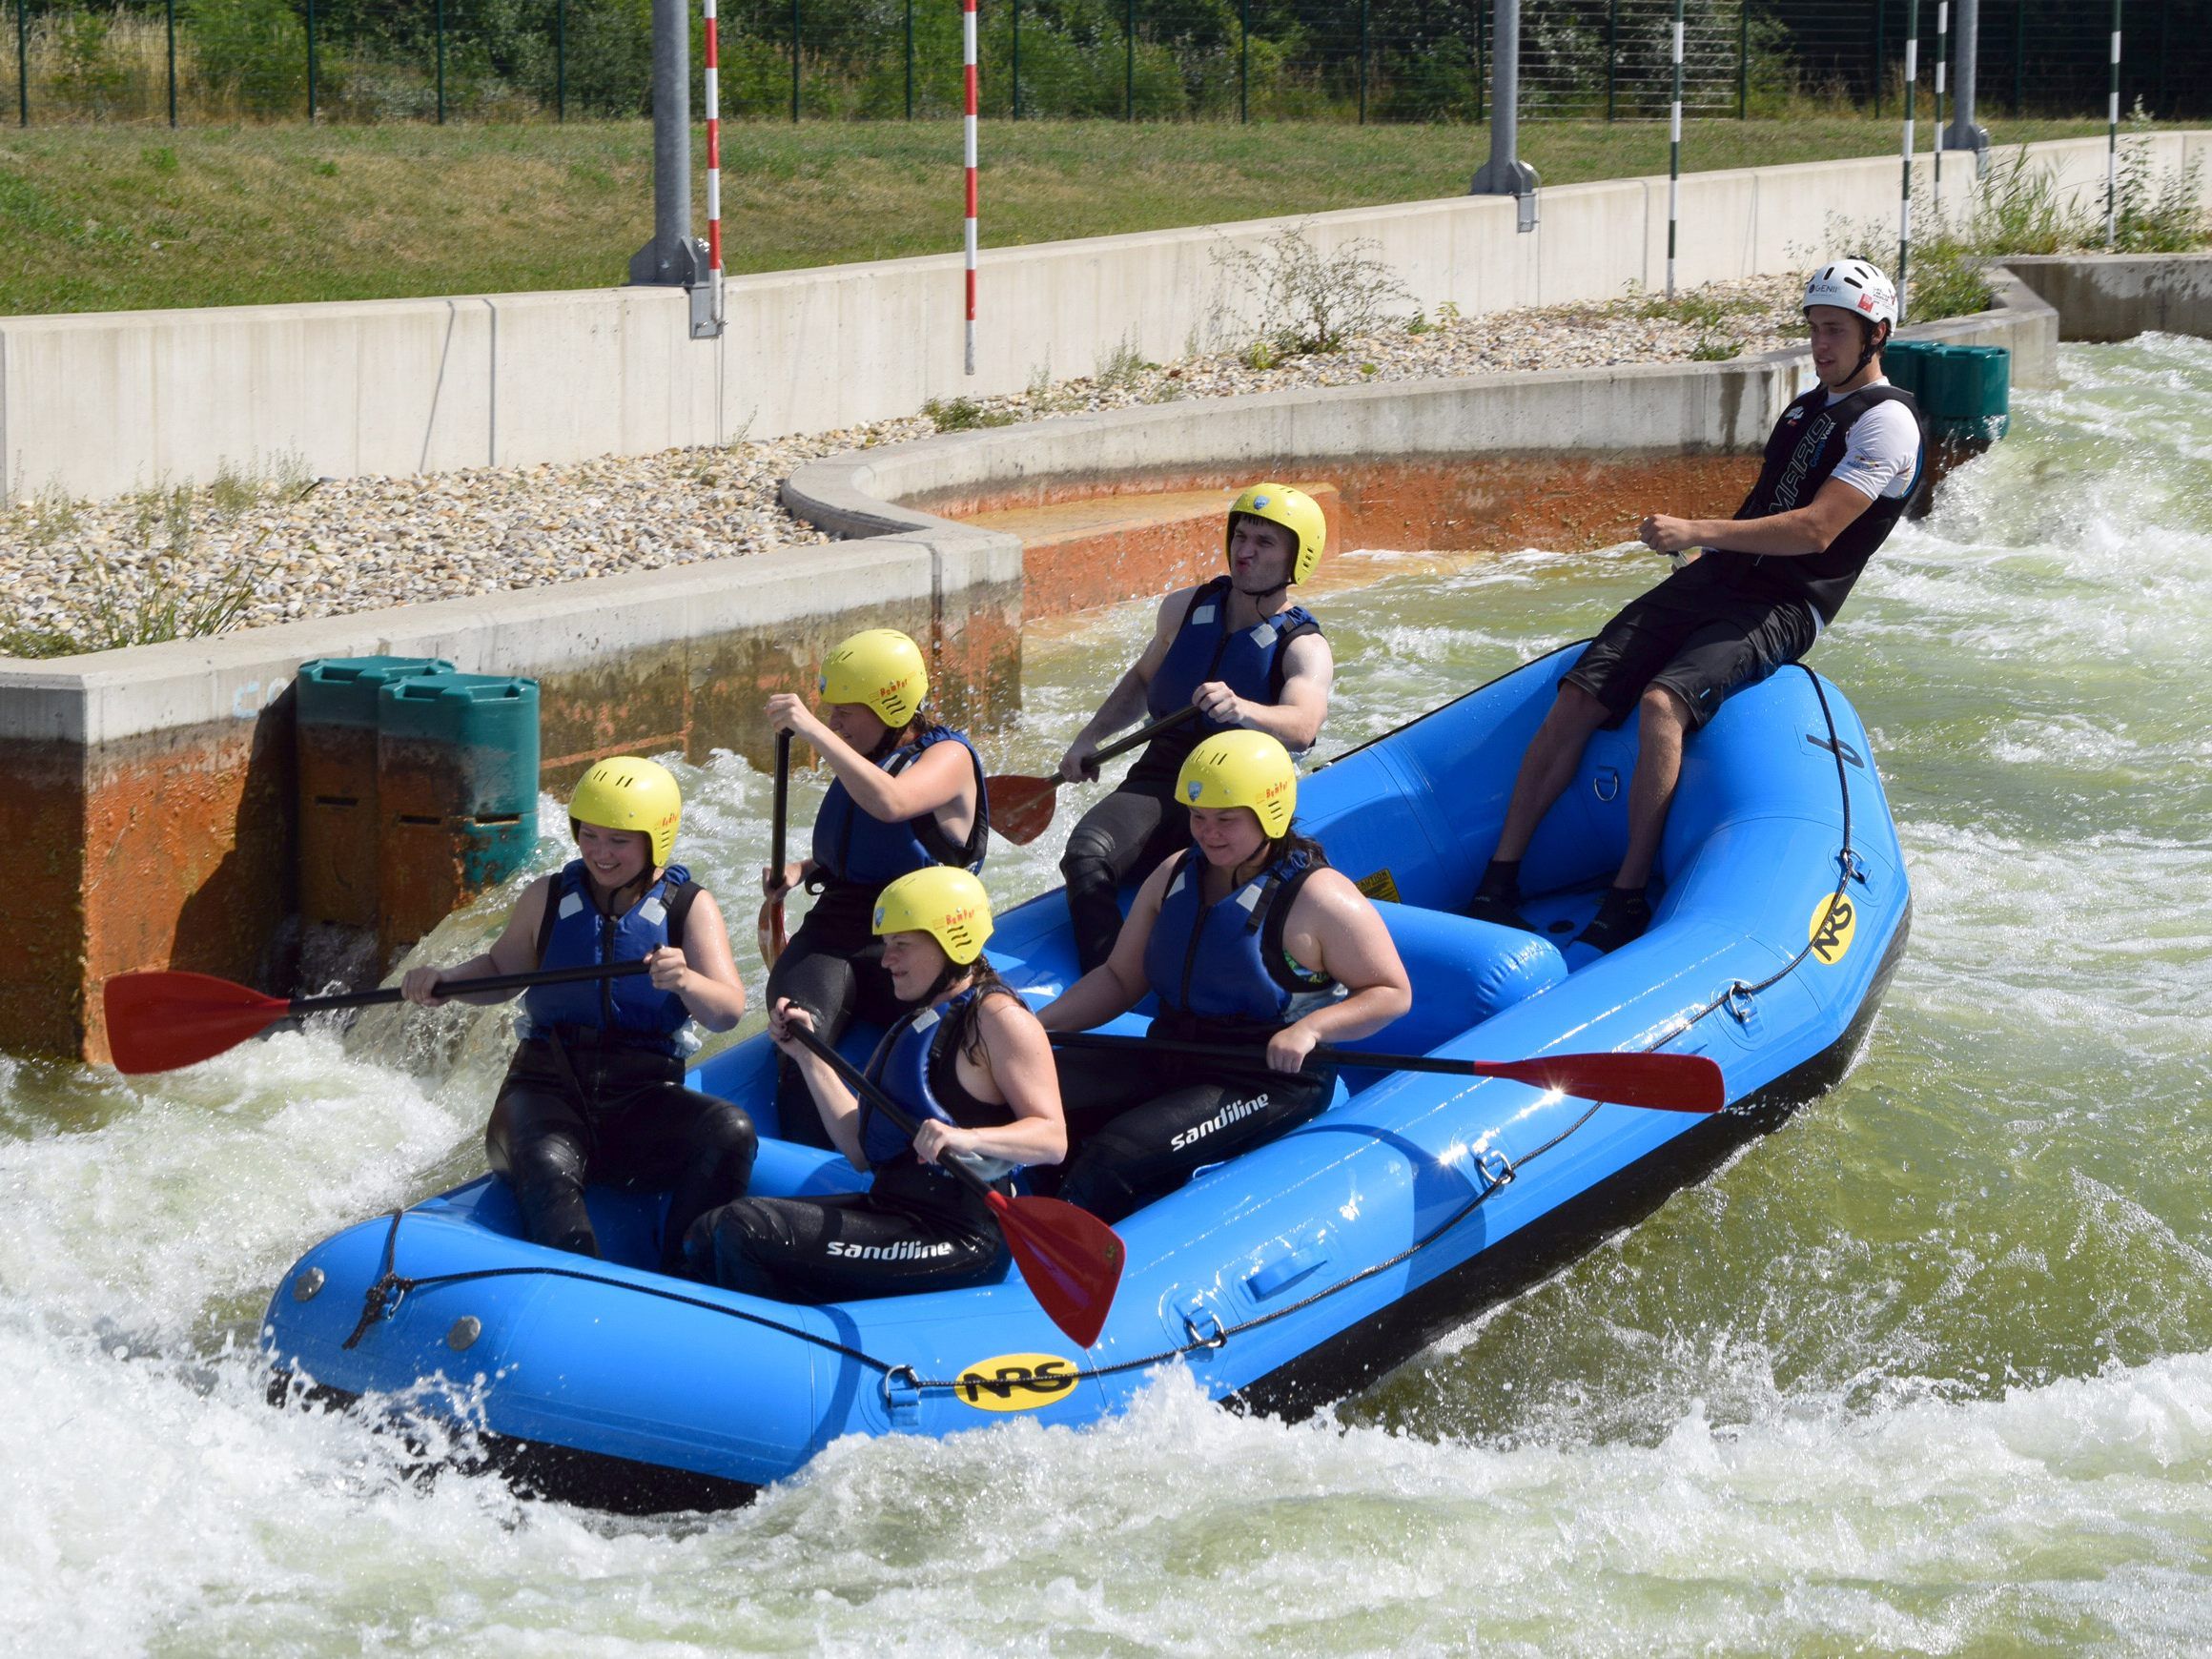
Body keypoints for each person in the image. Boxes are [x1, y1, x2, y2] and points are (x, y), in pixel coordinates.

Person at [1469, 257, 1928, 953]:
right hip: (1723, 578)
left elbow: (1816, 529)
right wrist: (1706, 557)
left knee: (1661, 705)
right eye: (1813, 330)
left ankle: (1625, 896)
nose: (1821, 345)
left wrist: (1695, 531)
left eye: (1835, 330)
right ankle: (1497, 880)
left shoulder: (1887, 424)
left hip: (1788, 603)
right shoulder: (1806, 408)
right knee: (1581, 693)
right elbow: (1768, 506)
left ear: (1877, 334)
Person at [1036, 730, 1411, 1223]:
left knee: (1117, 1153)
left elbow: (1391, 992)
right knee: (1034, 1092)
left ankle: (1050, 1262)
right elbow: (1119, 980)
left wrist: (1310, 1029)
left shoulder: (1319, 898)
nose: (1207, 833)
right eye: (1198, 817)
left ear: (1269, 814)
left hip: (1265, 1077)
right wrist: (1034, 1030)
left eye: (1226, 820)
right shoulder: (1174, 873)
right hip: (1175, 1052)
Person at [400, 756, 753, 1271]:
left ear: (657, 839)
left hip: (641, 1099)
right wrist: (446, 982)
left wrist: (687, 980)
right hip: (546, 1092)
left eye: (618, 840)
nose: (600, 853)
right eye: (589, 835)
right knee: (546, 1161)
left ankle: (687, 1270)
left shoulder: (689, 908)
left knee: (732, 1129)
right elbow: (502, 969)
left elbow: (728, 1011)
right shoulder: (548, 896)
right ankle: (574, 1275)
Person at [685, 867, 1066, 1301]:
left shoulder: (999, 1019)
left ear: (953, 940)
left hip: (960, 1236)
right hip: (893, 1214)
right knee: (708, 1232)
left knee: (746, 1229)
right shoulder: (913, 1025)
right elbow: (858, 1148)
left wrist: (965, 1138)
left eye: (901, 945)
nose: (886, 960)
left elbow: (1052, 1138)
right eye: (886, 945)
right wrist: (808, 1058)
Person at [1056, 483, 1336, 973]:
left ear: (1298, 558)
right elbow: (1143, 680)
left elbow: (1303, 726)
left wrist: (1243, 709)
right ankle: (1108, 980)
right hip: (1163, 779)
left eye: (1265, 543)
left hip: (1241, 799)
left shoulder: (1303, 647)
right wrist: (1089, 738)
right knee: (1085, 853)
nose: (1244, 551)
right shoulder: (1184, 609)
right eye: (1241, 536)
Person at [760, 627, 989, 1147]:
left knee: (932, 1052)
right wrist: (802, 869)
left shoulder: (947, 757)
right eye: (829, 710)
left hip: (922, 931)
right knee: (798, 1033)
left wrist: (813, 731)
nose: (834, 721)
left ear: (891, 706)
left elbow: (893, 805)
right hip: (842, 925)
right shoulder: (865, 757)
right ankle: (813, 1175)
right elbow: (865, 844)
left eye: (845, 710)